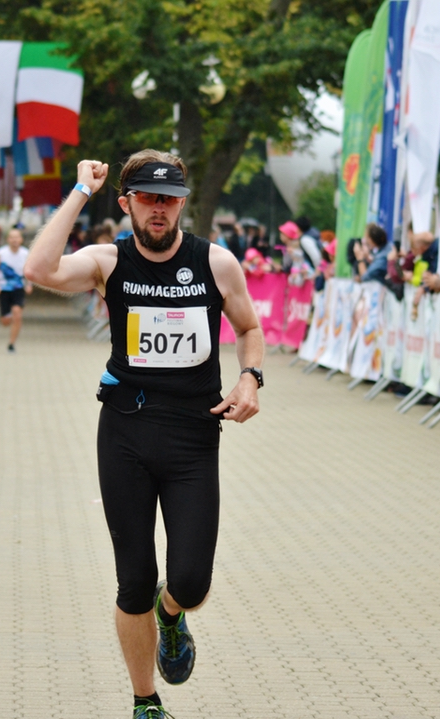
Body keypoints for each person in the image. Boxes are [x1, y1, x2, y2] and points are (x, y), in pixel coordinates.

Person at [23, 151, 264, 719]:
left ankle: (171, 613)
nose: (160, 209)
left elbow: (249, 327)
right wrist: (80, 192)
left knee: (191, 581)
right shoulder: (108, 261)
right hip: (126, 433)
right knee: (133, 579)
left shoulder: (216, 262)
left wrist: (250, 377)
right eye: (149, 199)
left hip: (193, 436)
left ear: (182, 203)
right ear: (127, 203)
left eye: (170, 199)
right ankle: (144, 701)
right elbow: (38, 269)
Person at [0, 228, 32, 352]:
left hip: (18, 288)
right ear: (8, 239)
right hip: (3, 289)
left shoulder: (25, 253)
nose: (14, 240)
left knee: (17, 314)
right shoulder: (1, 253)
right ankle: (8, 317)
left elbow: (30, 271)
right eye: (12, 237)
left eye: (17, 237)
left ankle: (12, 343)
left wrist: (29, 284)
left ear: (21, 239)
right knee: (5, 321)